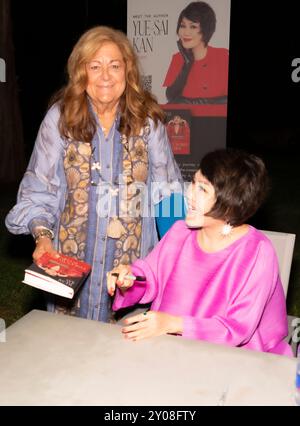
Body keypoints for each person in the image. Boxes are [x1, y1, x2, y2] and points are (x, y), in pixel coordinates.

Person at [5, 26, 184, 322]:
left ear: (128, 71)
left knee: (123, 357)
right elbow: (40, 187)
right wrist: (42, 238)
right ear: (80, 71)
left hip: (129, 271)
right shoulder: (61, 118)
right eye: (95, 66)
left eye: (115, 66)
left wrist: (178, 255)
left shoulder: (148, 122)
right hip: (71, 266)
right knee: (71, 352)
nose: (105, 76)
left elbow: (168, 192)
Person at [107, 149, 292, 356]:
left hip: (233, 358)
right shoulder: (180, 233)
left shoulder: (256, 253)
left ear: (230, 204)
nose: (190, 193)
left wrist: (173, 324)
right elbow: (149, 275)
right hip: (167, 345)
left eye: (202, 189)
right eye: (193, 183)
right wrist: (129, 279)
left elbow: (237, 328)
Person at [163, 1, 229, 105]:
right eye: (182, 26)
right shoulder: (178, 58)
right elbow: (170, 97)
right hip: (186, 121)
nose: (186, 32)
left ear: (205, 30)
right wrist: (187, 65)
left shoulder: (223, 56)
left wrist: (196, 103)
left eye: (193, 27)